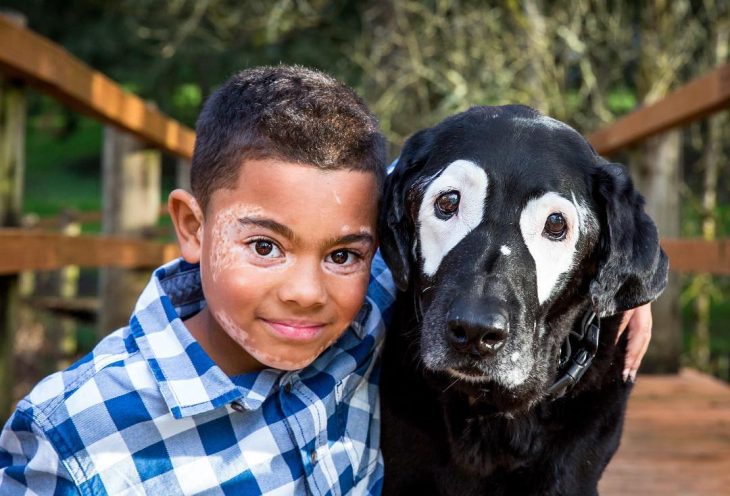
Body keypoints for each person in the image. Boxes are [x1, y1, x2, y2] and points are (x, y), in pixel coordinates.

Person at [0, 65, 653, 495]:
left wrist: (622, 280)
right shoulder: (69, 435)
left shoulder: (358, 311)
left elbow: (447, 185)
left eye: (343, 253)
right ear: (192, 228)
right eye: (264, 245)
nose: (306, 291)